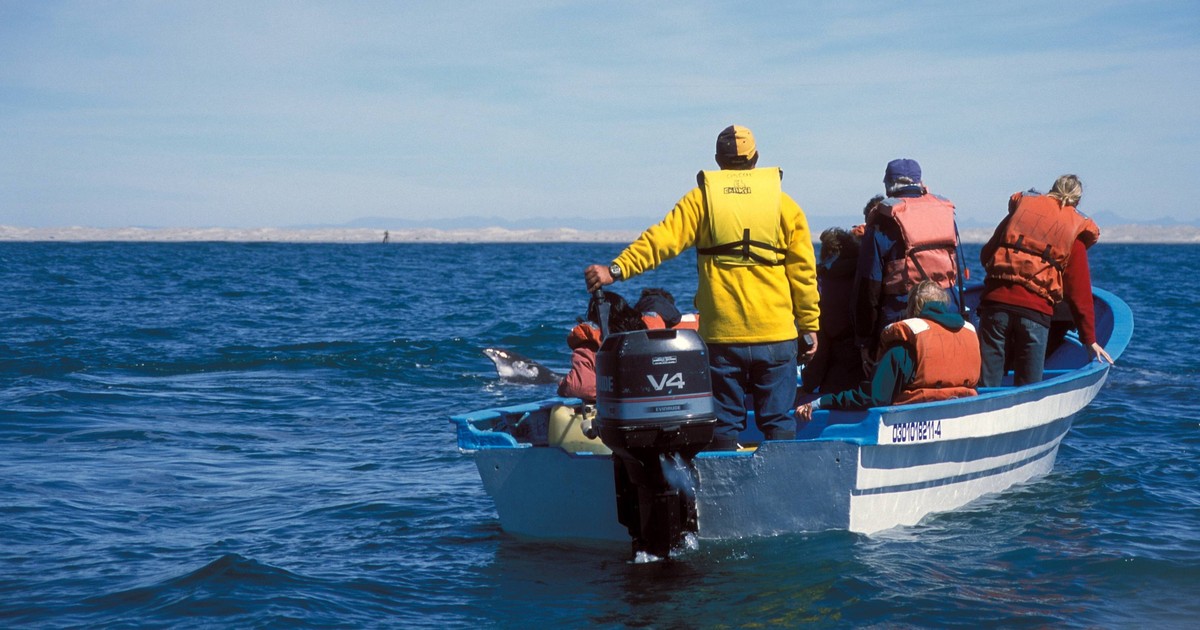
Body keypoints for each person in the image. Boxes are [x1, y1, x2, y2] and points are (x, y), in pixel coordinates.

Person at [583, 124, 820, 450]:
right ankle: (780, 492)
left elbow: (660, 240)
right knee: (779, 422)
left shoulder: (701, 201)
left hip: (723, 338)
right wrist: (809, 326)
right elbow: (804, 274)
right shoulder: (786, 206)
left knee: (724, 424)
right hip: (777, 336)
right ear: (756, 159)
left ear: (718, 160)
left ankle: (723, 492)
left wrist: (616, 269)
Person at [977, 174, 1113, 386]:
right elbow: (1079, 293)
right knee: (1029, 387)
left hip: (995, 305)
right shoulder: (1073, 231)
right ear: (1077, 201)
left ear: (1051, 189)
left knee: (987, 382)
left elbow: (986, 255)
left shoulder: (1020, 213)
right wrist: (1089, 340)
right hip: (1035, 314)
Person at [796, 280, 979, 421]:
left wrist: (821, 402)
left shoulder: (906, 345)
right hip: (961, 411)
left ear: (912, 307)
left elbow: (874, 397)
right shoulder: (968, 333)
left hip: (914, 420)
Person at [853, 159, 963, 368]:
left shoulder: (882, 220)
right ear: (920, 182)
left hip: (901, 314)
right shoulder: (945, 212)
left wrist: (864, 340)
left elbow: (869, 286)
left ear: (888, 184)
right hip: (947, 310)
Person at [557, 288, 695, 402]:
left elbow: (581, 387)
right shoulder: (657, 335)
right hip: (666, 401)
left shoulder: (589, 346)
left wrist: (563, 385)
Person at [800, 225, 864, 395]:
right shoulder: (864, 273)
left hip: (836, 356)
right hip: (863, 357)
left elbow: (821, 343)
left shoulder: (821, 282)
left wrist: (808, 384)